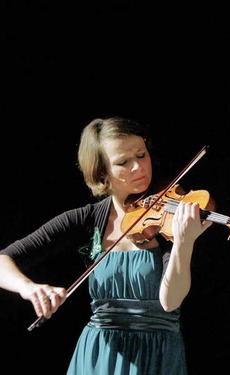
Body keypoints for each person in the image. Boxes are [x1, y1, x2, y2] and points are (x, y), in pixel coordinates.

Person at [0, 116, 213, 374]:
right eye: (123, 162)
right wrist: (29, 288)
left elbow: (170, 302)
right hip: (98, 353)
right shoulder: (87, 219)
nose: (138, 167)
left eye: (141, 155)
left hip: (156, 354)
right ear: (102, 173)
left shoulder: (169, 217)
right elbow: (3, 259)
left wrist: (183, 242)